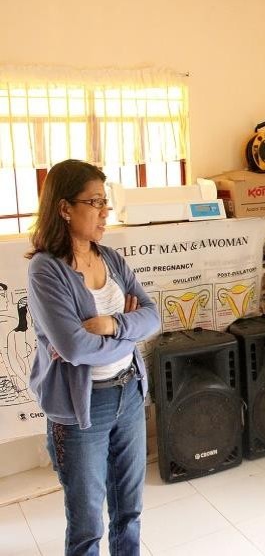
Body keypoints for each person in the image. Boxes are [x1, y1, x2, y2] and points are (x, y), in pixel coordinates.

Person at [26, 159, 160, 555]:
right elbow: (74, 347)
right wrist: (129, 330)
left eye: (106, 201)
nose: (105, 211)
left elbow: (152, 316)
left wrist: (112, 325)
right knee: (86, 523)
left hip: (130, 394)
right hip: (83, 407)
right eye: (95, 201)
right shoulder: (45, 271)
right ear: (65, 208)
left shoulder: (112, 259)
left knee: (129, 511)